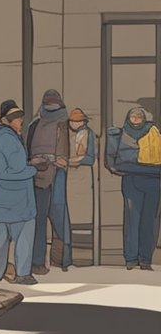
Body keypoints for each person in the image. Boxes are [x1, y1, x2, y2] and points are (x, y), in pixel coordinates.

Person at [0, 101, 40, 292]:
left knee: (2, 238)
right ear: (5, 120)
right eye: (16, 118)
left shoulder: (3, 137)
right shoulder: (3, 140)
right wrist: (32, 169)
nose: (20, 120)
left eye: (20, 117)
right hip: (14, 200)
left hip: (4, 200)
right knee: (22, 238)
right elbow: (2, 172)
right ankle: (21, 274)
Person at [106, 106, 161, 271]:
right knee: (141, 221)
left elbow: (112, 161)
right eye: (133, 117)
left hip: (135, 179)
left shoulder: (123, 134)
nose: (136, 120)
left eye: (138, 117)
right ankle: (135, 259)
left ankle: (140, 259)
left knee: (140, 221)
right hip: (151, 179)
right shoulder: (154, 132)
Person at [24, 90, 72, 274]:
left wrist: (62, 160)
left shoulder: (63, 124)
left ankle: (61, 259)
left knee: (58, 216)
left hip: (57, 174)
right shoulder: (35, 124)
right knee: (40, 218)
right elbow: (28, 151)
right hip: (40, 174)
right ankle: (38, 261)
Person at [65, 108, 97, 265]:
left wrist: (74, 161)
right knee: (69, 212)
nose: (76, 123)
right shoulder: (64, 133)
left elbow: (91, 158)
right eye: (73, 121)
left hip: (83, 176)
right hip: (68, 177)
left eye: (78, 121)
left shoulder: (89, 134)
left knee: (83, 211)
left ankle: (85, 252)